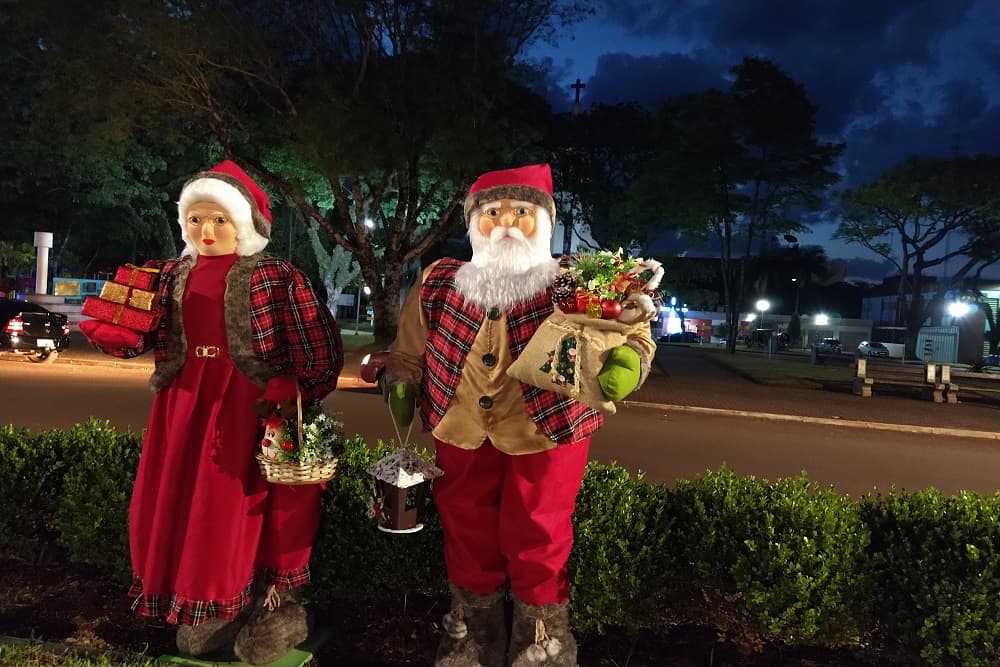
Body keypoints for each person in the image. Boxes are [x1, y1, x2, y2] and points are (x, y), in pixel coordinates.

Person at [384, 163, 656, 667]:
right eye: (491, 212)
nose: (505, 222)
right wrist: (401, 379)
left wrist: (632, 360)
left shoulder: (575, 277)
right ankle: (471, 628)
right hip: (458, 425)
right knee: (464, 527)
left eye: (520, 212)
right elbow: (409, 347)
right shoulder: (441, 279)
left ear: (545, 221)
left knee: (540, 532)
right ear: (473, 223)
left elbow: (635, 328)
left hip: (547, 428)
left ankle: (541, 642)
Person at [80, 161, 343, 665]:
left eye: (219, 220)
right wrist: (116, 335)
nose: (206, 231)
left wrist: (296, 387)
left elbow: (318, 345)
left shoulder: (276, 275)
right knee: (181, 500)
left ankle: (259, 600)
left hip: (248, 404)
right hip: (183, 401)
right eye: (196, 219)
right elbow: (143, 334)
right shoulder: (170, 273)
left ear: (243, 223)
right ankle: (203, 600)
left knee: (236, 503)